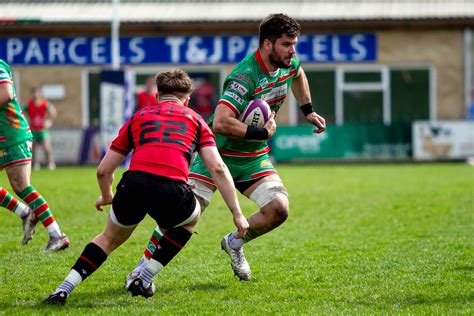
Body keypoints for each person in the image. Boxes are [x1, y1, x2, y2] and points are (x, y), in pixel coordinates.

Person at [125, 13, 326, 285]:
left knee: (278, 209)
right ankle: (143, 268)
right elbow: (220, 122)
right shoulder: (244, 77)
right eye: (287, 44)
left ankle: (234, 243)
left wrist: (308, 110)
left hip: (252, 158)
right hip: (215, 155)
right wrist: (262, 132)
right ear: (267, 45)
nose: (293, 50)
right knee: (182, 215)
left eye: (294, 44)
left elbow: (299, 75)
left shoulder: (288, 63)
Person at [44, 69, 248, 305]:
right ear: (187, 99)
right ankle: (145, 276)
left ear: (156, 96)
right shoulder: (196, 119)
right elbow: (218, 169)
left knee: (108, 238)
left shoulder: (139, 116)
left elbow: (103, 170)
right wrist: (237, 214)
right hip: (172, 189)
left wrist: (107, 195)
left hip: (134, 184)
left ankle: (63, 289)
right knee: (191, 219)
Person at [0, 59, 69, 251]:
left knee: (22, 186)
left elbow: (5, 93)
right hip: (4, 136)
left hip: (13, 135)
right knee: (21, 186)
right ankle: (24, 212)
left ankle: (57, 235)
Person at [24, 87, 57, 170]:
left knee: (46, 147)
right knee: (33, 148)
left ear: (40, 94)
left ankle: (50, 163)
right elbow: (21, 112)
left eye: (37, 93)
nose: (35, 95)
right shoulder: (29, 104)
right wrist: (26, 123)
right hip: (33, 129)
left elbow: (53, 111)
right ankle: (36, 164)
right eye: (34, 93)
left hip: (42, 129)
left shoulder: (44, 104)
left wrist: (49, 121)